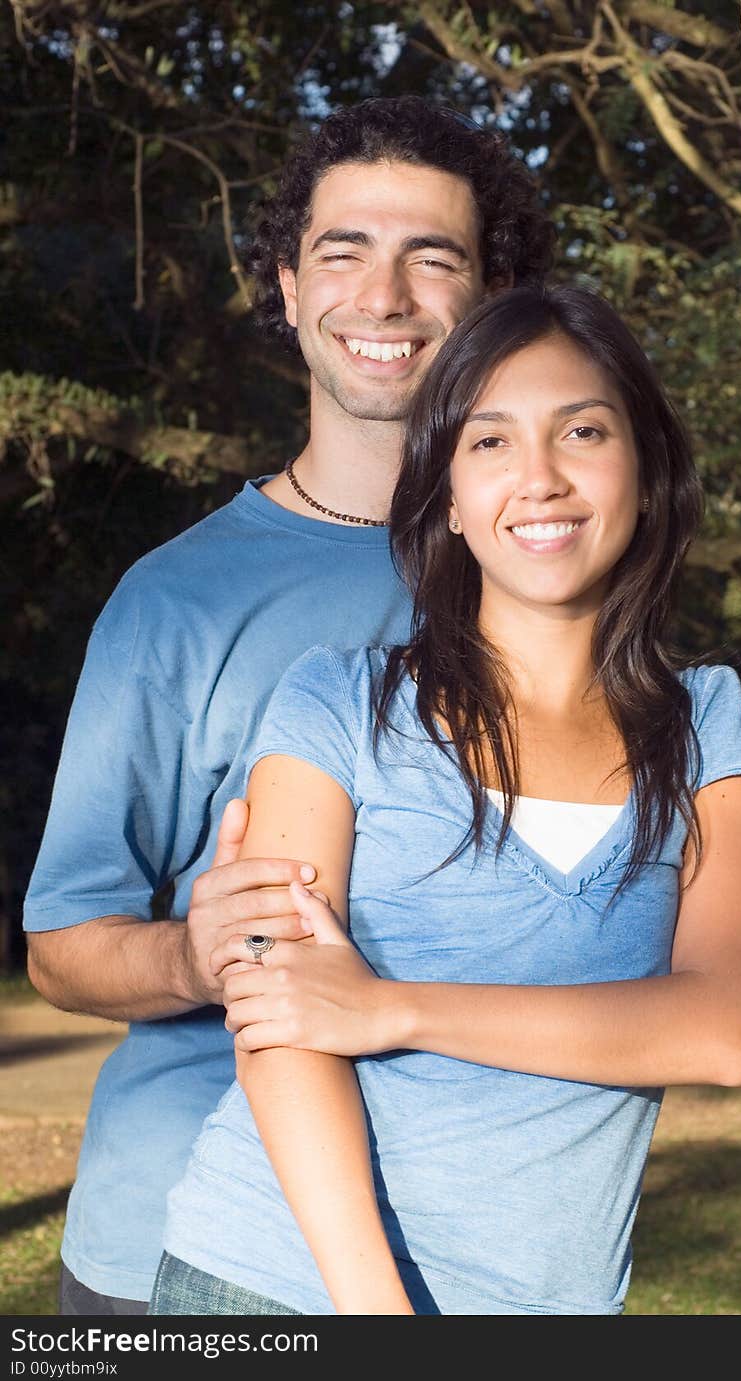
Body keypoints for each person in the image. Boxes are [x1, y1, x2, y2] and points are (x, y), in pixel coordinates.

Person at [148, 283, 741, 1317]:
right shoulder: (333, 703)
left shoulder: (707, 722)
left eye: (581, 430)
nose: (539, 478)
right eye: (488, 443)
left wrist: (392, 1005)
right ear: (444, 491)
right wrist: (378, 1310)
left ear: (646, 469)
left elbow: (720, 1027)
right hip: (277, 1283)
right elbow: (281, 1021)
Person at [22, 96, 556, 1314]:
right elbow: (60, 944)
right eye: (343, 251)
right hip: (186, 1256)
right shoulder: (174, 601)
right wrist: (192, 953)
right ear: (286, 282)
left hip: (481, 1244)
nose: (384, 296)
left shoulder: (555, 573)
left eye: (433, 256)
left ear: (494, 290)